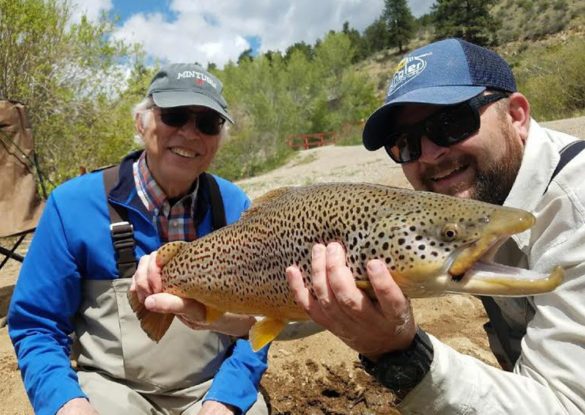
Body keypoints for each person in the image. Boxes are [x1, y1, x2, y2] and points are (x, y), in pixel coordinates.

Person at [286, 38, 585, 414]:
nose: (429, 154)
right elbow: (346, 300)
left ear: (517, 115)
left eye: (452, 122)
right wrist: (232, 317)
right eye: (405, 143)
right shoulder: (483, 204)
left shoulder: (577, 206)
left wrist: (402, 355)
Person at [8, 63, 269, 415]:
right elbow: (37, 325)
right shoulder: (71, 206)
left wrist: (225, 399)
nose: (191, 134)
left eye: (207, 123)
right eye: (175, 115)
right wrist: (66, 404)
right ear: (141, 123)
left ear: (218, 141)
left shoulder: (237, 208)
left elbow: (260, 322)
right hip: (110, 390)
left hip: (210, 388)